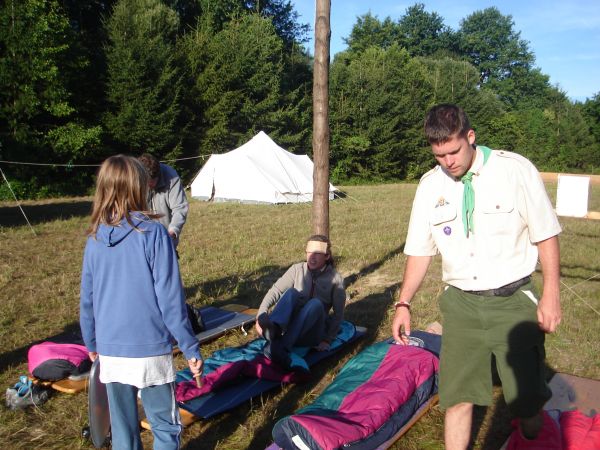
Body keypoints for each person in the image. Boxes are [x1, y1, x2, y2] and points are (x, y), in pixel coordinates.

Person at [391, 104, 561, 450]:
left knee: (526, 401)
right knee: (457, 397)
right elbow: (420, 251)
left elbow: (546, 234)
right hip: (461, 305)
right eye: (440, 155)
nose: (448, 161)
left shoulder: (513, 170)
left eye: (454, 151)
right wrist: (403, 302)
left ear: (471, 137)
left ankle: (533, 435)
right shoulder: (429, 187)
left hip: (513, 303)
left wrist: (551, 294)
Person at [79, 155, 203, 450]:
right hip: (149, 352)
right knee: (165, 427)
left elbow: (88, 300)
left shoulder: (94, 238)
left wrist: (92, 343)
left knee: (123, 431)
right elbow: (171, 300)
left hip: (111, 351)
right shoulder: (155, 234)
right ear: (137, 187)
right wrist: (190, 347)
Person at [255, 235, 347, 369]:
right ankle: (273, 330)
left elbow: (339, 314)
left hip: (312, 333)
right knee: (292, 293)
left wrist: (327, 340)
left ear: (326, 256)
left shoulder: (336, 280)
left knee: (315, 304)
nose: (312, 257)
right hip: (289, 327)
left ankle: (281, 347)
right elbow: (275, 291)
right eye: (309, 252)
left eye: (317, 253)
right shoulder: (297, 269)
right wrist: (261, 314)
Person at [138, 153, 189, 249]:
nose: (149, 186)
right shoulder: (132, 177)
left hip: (166, 241)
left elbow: (180, 207)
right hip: (140, 242)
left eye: (152, 183)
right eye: (146, 183)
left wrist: (173, 230)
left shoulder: (171, 176)